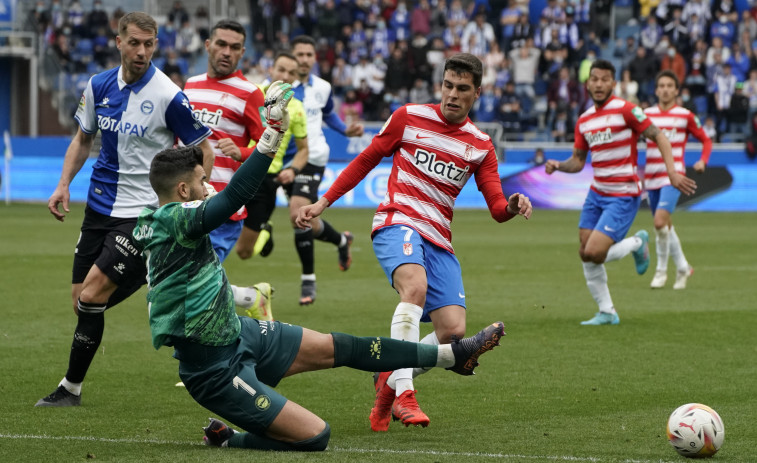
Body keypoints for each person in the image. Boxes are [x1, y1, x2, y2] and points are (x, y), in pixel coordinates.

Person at [133, 83, 506, 450]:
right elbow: (233, 196)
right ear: (183, 192)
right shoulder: (175, 220)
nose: (208, 185)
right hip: (213, 368)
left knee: (340, 346)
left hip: (238, 333)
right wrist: (273, 133)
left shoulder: (164, 218)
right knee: (316, 435)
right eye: (202, 181)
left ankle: (452, 355)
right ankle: (230, 439)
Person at [296, 53, 532, 431]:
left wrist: (513, 205)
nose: (452, 95)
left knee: (452, 332)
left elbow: (496, 206)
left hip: (438, 236)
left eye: (462, 89)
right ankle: (405, 393)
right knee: (414, 288)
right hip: (397, 220)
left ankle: (388, 378)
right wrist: (323, 202)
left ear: (477, 93)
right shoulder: (408, 117)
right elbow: (366, 160)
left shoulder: (480, 145)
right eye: (448, 85)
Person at [37, 12, 214, 407]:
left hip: (143, 213)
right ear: (118, 42)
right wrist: (63, 183)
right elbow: (83, 139)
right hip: (99, 208)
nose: (142, 51)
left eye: (149, 44)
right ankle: (146, 275)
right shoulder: (98, 86)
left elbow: (203, 148)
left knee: (94, 294)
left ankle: (70, 389)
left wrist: (198, 193)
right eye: (134, 42)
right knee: (82, 301)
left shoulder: (168, 94)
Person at [544, 60, 697, 326]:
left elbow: (660, 136)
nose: (599, 84)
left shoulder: (627, 110)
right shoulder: (584, 120)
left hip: (623, 193)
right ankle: (607, 311)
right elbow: (578, 161)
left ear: (613, 84)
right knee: (584, 251)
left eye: (605, 79)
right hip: (597, 193)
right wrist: (559, 165)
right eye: (595, 79)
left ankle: (638, 243)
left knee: (595, 251)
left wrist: (672, 172)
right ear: (588, 83)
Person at [183, 20, 272, 320]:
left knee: (195, 282)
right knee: (185, 279)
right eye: (221, 44)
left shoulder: (250, 93)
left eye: (234, 48)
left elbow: (268, 145)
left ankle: (223, 350)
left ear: (243, 53)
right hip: (186, 203)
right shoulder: (190, 85)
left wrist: (244, 151)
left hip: (223, 205)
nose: (226, 52)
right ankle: (251, 297)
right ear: (208, 45)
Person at [290, 35, 365, 305]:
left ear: (314, 58)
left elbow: (329, 114)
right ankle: (342, 241)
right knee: (305, 219)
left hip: (313, 156)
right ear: (291, 57)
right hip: (283, 159)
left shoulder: (322, 87)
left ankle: (308, 281)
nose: (304, 59)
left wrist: (345, 129)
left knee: (298, 211)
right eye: (299, 54)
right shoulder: (279, 86)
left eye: (309, 55)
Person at [235, 51, 309, 267]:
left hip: (266, 180)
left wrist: (293, 169)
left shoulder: (296, 108)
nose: (285, 76)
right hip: (237, 170)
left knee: (243, 252)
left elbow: (304, 149)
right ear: (271, 70)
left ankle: (265, 231)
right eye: (281, 70)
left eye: (291, 73)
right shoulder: (251, 93)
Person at [644, 70, 712, 290]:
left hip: (674, 176)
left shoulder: (685, 116)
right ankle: (683, 267)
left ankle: (661, 271)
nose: (665, 89)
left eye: (669, 86)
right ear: (656, 90)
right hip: (651, 176)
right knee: (665, 227)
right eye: (661, 85)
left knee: (659, 223)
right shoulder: (646, 115)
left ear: (676, 90)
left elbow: (706, 140)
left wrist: (702, 160)